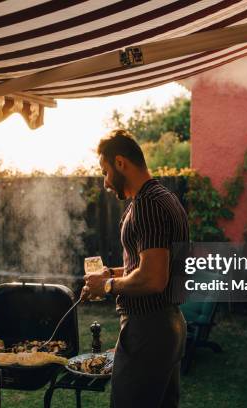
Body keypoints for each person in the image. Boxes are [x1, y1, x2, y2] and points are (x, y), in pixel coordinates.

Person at [83, 129, 188, 408]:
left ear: (120, 163)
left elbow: (153, 279)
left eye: (105, 171)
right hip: (166, 325)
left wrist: (106, 286)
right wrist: (113, 273)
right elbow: (149, 265)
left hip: (149, 329)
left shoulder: (148, 204)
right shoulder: (165, 197)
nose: (105, 182)